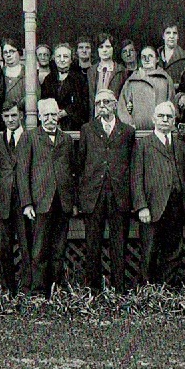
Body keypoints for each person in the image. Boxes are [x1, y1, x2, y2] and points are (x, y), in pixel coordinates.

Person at [78, 89, 136, 291]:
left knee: (119, 243)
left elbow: (132, 164)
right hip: (93, 194)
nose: (102, 106)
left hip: (119, 194)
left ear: (114, 104)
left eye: (106, 102)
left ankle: (119, 289)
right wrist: (81, 198)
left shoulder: (127, 131)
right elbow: (81, 162)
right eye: (98, 102)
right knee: (93, 243)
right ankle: (93, 290)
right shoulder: (87, 129)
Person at [18, 98, 77, 295]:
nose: (50, 119)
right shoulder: (30, 137)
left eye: (54, 115)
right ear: (40, 117)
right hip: (40, 201)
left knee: (59, 248)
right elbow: (23, 172)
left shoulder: (66, 140)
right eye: (46, 115)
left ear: (58, 116)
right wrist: (27, 203)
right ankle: (38, 291)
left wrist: (73, 201)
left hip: (63, 201)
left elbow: (71, 171)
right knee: (39, 250)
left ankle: (56, 289)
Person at [132, 101, 185, 286]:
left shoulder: (180, 145)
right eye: (161, 116)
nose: (165, 120)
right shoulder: (144, 144)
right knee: (150, 249)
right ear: (153, 119)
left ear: (174, 121)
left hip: (176, 204)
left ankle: (167, 288)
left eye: (169, 117)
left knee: (173, 249)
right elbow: (136, 177)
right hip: (153, 205)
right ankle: (148, 290)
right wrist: (141, 206)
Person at [0, 101, 31, 295]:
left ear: (21, 115)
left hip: (25, 200)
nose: (10, 120)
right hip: (3, 201)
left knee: (27, 247)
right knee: (4, 248)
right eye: (6, 116)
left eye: (13, 115)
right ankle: (8, 289)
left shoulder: (30, 137)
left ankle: (27, 289)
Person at [117, 45, 176, 130]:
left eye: (150, 56)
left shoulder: (165, 79)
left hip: (160, 131)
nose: (146, 59)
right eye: (143, 57)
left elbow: (172, 105)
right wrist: (129, 125)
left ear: (157, 59)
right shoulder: (132, 80)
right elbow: (122, 107)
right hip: (137, 131)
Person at [39, 43, 89, 131]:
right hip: (52, 122)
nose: (62, 60)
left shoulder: (79, 79)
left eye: (65, 56)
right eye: (58, 56)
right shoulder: (49, 79)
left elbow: (83, 103)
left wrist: (66, 112)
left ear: (71, 59)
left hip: (73, 124)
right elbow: (43, 100)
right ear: (54, 58)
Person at [87, 33, 128, 118]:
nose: (104, 50)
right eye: (101, 47)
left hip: (115, 115)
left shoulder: (121, 70)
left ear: (113, 49)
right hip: (96, 115)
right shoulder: (91, 71)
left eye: (108, 47)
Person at [158, 20, 185, 88]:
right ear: (163, 36)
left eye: (174, 33)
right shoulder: (155, 55)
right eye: (168, 33)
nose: (171, 36)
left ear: (178, 36)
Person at [1, 37, 26, 110]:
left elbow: (35, 96)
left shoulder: (28, 73)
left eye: (12, 51)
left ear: (19, 52)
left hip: (23, 115)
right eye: (5, 52)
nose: (8, 55)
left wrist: (17, 107)